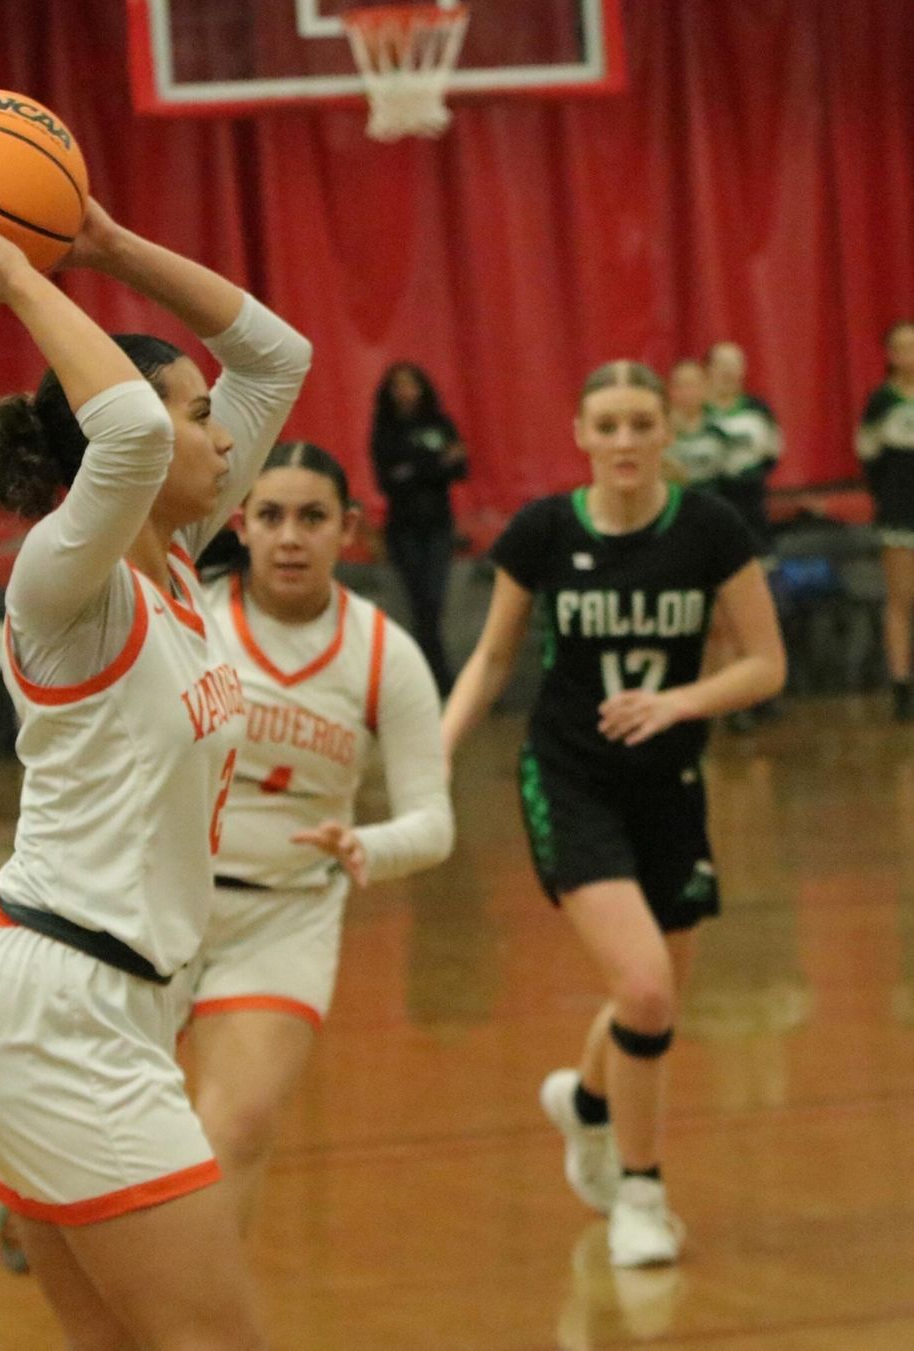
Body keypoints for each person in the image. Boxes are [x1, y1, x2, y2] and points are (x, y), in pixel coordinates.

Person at [0, 177, 311, 1348]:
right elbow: (124, 431)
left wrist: (110, 244)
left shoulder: (177, 556)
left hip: (104, 1005)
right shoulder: (62, 584)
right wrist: (19, 277)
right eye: (196, 412)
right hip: (61, 1008)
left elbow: (276, 357)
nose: (224, 432)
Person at [441, 361, 785, 1269]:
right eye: (609, 425)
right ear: (581, 434)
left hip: (670, 782)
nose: (627, 440)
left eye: (642, 423)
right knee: (644, 990)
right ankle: (640, 1191)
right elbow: (491, 659)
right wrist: (428, 757)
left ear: (665, 432)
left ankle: (587, 1102)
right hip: (570, 777)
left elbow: (766, 664)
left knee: (656, 989)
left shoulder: (710, 529)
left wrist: (681, 702)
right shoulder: (546, 529)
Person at [182, 440, 454, 1233]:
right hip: (160, 901)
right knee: (108, 1136)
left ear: (350, 529)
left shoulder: (385, 655)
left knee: (237, 1129)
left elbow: (433, 821)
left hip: (285, 914)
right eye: (270, 516)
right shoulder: (189, 617)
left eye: (312, 517)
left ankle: (194, 1320)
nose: (290, 536)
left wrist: (369, 845)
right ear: (241, 523)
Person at [370, 362, 468, 695]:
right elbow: (388, 480)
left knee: (433, 603)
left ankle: (430, 680)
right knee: (419, 604)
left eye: (411, 384)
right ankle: (436, 681)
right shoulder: (386, 428)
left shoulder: (440, 423)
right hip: (403, 529)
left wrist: (415, 467)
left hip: (439, 526)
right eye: (398, 385)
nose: (405, 392)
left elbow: (460, 468)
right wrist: (436, 462)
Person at [856, 320, 914, 721]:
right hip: (899, 510)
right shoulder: (881, 403)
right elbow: (869, 459)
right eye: (902, 347)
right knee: (901, 598)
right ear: (890, 355)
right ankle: (901, 685)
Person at [704, 341, 782, 551]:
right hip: (709, 506)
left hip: (751, 505)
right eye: (722, 364)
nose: (728, 371)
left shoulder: (758, 410)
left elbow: (772, 454)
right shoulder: (698, 415)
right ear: (709, 369)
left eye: (735, 364)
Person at [664, 359, 732, 492]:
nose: (687, 392)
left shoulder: (719, 428)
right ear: (670, 389)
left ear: (705, 388)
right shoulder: (659, 431)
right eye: (680, 386)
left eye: (692, 385)